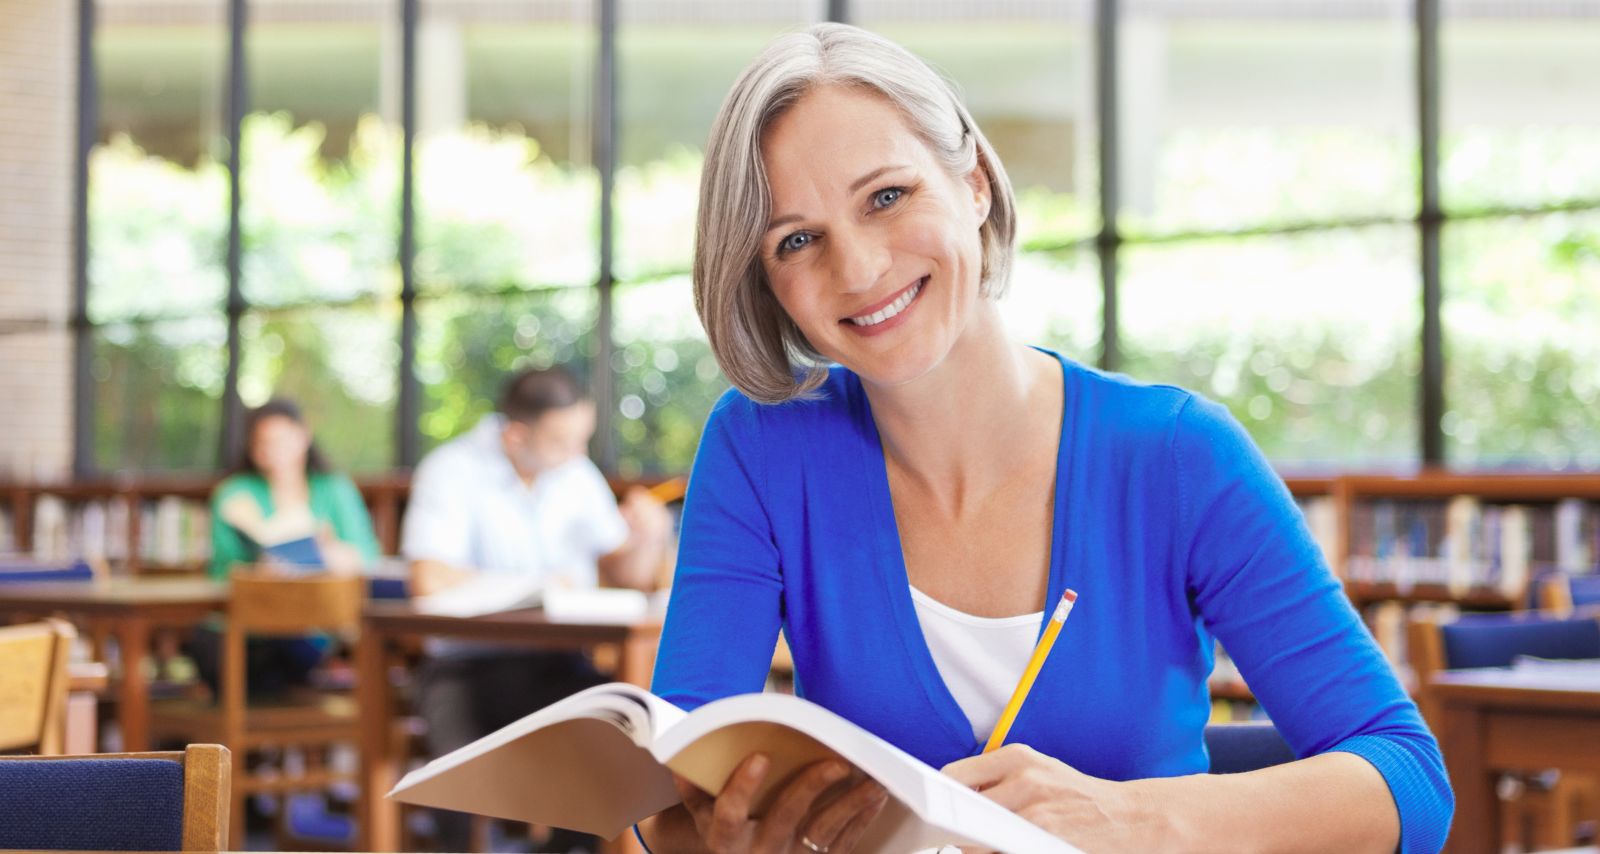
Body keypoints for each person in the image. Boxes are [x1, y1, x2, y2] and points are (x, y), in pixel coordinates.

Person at [639, 24, 1453, 854]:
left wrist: (1135, 818)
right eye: (797, 241)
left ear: (976, 184)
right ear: (769, 285)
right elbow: (671, 807)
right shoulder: (761, 453)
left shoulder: (1176, 456)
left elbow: (1410, 782)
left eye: (886, 196)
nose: (857, 269)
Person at [401, 365, 672, 851]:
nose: (577, 454)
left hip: (555, 664)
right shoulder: (451, 471)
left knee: (625, 727)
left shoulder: (575, 473)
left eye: (581, 439)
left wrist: (648, 538)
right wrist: (537, 584)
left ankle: (566, 847)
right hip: (465, 669)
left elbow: (625, 574)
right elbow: (429, 578)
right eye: (562, 441)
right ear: (514, 435)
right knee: (454, 779)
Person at [197, 397, 379, 697]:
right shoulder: (234, 493)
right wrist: (259, 572)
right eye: (263, 443)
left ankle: (255, 735)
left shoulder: (334, 489)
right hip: (246, 628)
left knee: (289, 657)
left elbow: (367, 558)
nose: (273, 452)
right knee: (218, 653)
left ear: (303, 436)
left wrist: (327, 553)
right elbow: (221, 569)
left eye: (280, 440)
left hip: (311, 628)